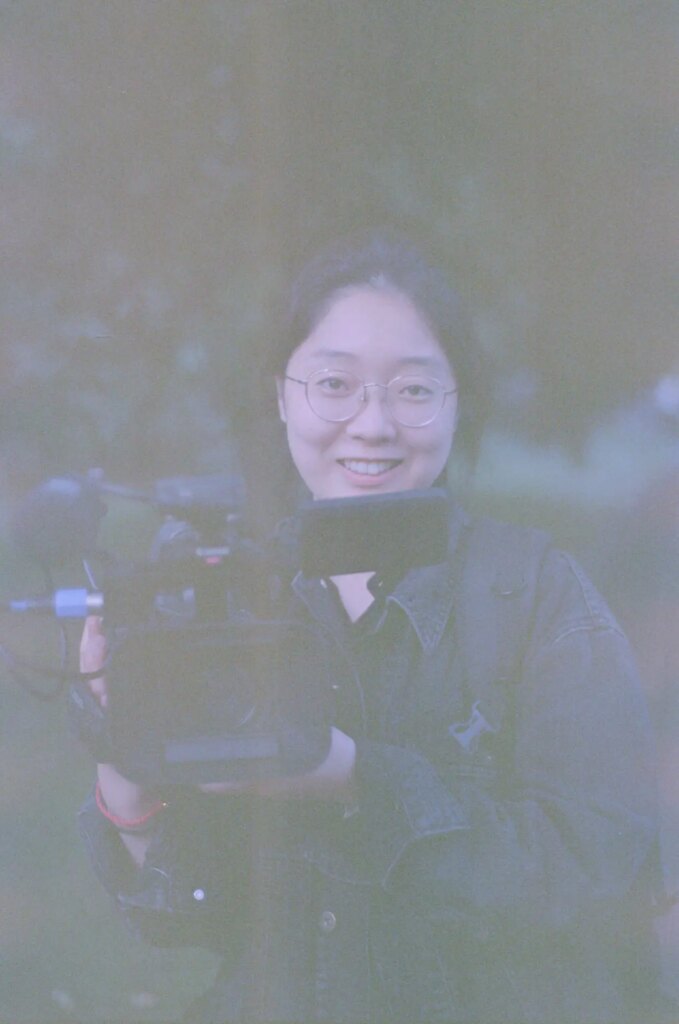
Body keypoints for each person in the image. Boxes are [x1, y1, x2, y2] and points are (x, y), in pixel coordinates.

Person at [77, 232, 667, 1023]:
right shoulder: (220, 592)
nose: (373, 424)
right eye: (334, 384)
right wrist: (128, 756)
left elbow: (604, 877)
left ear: (459, 402)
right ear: (282, 395)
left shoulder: (534, 594)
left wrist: (360, 780)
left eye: (414, 390)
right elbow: (194, 914)